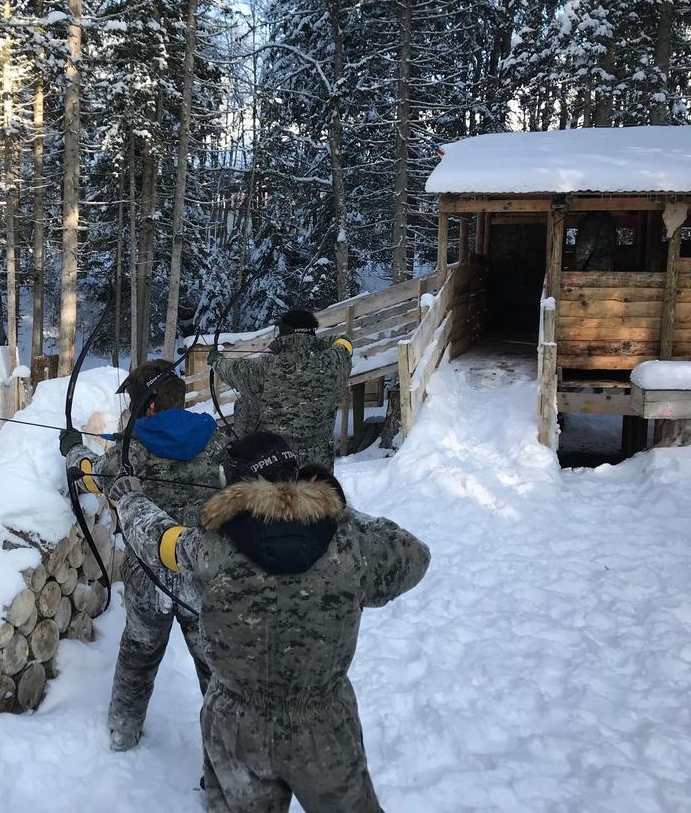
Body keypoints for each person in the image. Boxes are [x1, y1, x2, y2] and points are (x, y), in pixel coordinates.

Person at [109, 431, 430, 813]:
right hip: (325, 727)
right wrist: (330, 507)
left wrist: (128, 499)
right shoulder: (350, 544)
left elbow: (158, 539)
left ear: (234, 488)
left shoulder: (208, 549)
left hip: (236, 730)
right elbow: (414, 554)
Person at [61, 359, 225, 752]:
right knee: (216, 671)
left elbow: (92, 474)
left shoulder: (130, 450)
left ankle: (122, 734)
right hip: (200, 574)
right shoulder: (216, 441)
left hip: (148, 578)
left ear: (149, 407)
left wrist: (73, 449)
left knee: (139, 655)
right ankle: (225, 752)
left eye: (136, 404)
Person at [208, 309, 352, 470]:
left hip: (278, 464)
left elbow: (231, 370)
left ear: (284, 332)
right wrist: (313, 342)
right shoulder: (333, 363)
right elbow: (344, 342)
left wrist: (216, 359)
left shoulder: (266, 367)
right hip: (319, 468)